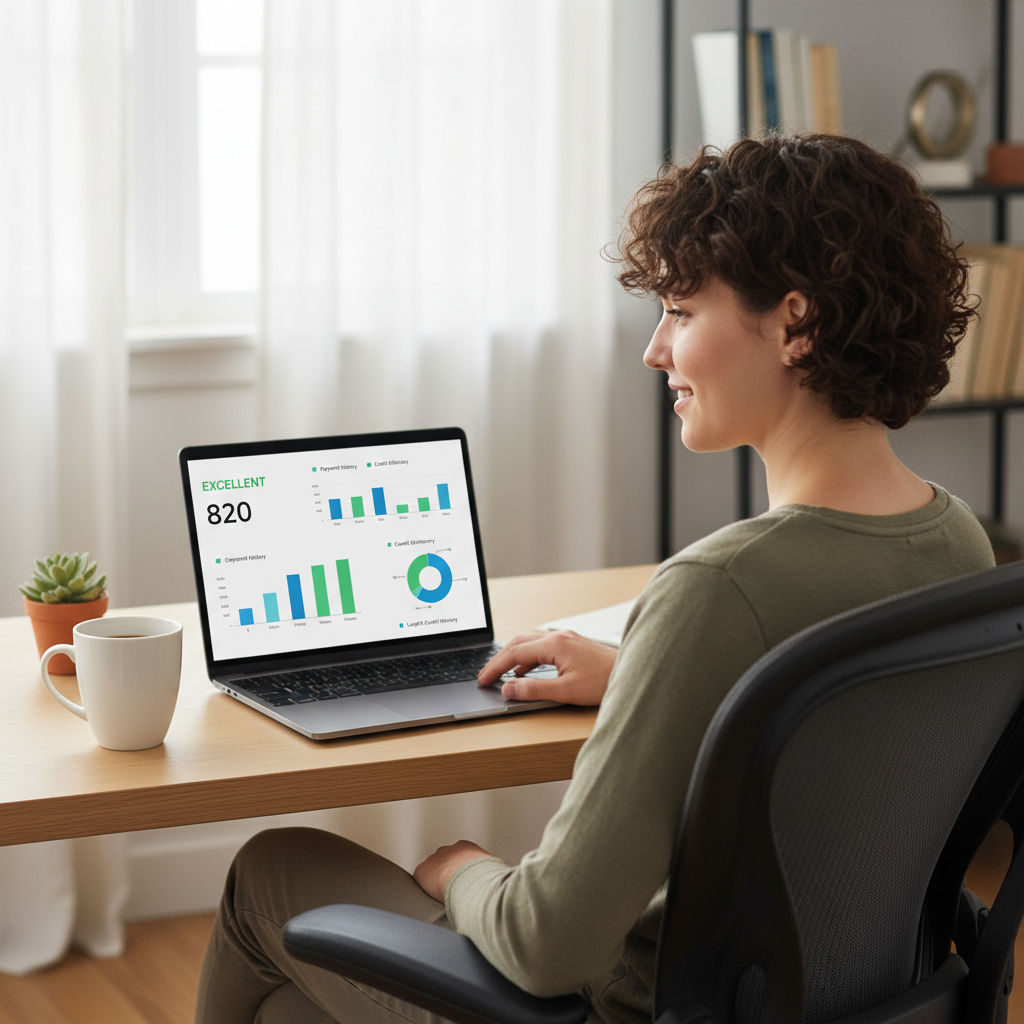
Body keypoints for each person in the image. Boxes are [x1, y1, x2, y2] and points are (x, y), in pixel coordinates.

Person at [194, 135, 994, 1024]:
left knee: (269, 870)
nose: (655, 350)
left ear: (795, 325)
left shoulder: (719, 590)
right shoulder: (959, 544)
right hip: (858, 1003)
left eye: (683, 312)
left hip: (631, 1010)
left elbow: (548, 944)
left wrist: (461, 871)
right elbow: (836, 727)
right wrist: (643, 675)